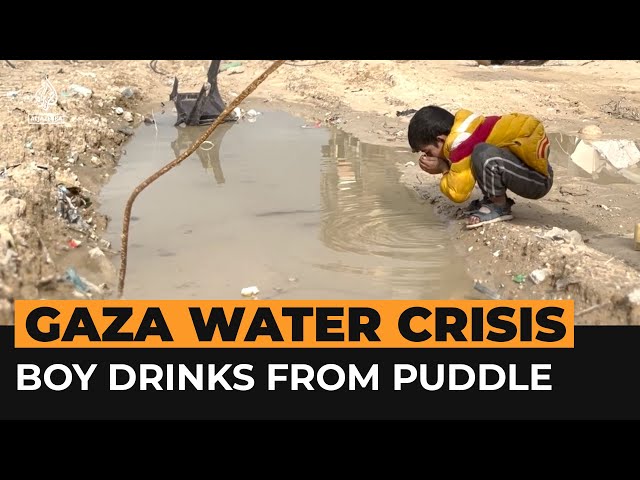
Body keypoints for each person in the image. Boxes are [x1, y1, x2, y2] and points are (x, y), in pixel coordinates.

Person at [407, 105, 554, 229]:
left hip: (538, 181)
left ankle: (499, 206)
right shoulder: (464, 128)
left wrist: (444, 169)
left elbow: (458, 194)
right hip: (528, 170)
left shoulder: (460, 143)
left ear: (440, 139)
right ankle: (492, 200)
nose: (430, 156)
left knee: (482, 152)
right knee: (477, 156)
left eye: (428, 151)